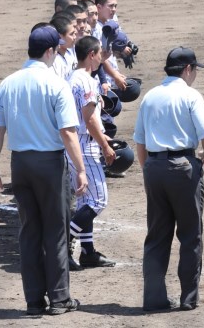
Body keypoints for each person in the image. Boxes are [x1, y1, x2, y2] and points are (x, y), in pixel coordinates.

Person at [0, 25, 87, 316]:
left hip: (20, 164)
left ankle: (32, 300)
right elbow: (68, 133)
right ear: (50, 51)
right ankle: (59, 299)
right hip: (49, 164)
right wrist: (81, 169)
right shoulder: (56, 84)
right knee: (55, 230)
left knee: (29, 231)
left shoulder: (8, 83)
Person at [133, 47, 204, 312]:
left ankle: (154, 298)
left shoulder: (150, 96)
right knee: (191, 235)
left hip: (154, 167)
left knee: (157, 235)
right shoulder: (190, 95)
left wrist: (149, 168)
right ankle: (188, 298)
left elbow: (140, 141)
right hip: (184, 168)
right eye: (194, 70)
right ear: (187, 69)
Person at [68, 35, 117, 269]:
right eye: (99, 53)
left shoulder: (72, 77)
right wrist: (105, 146)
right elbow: (88, 119)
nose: (101, 58)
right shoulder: (86, 81)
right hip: (84, 145)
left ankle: (87, 251)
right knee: (98, 200)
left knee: (84, 201)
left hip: (74, 143)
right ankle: (63, 242)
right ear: (91, 55)